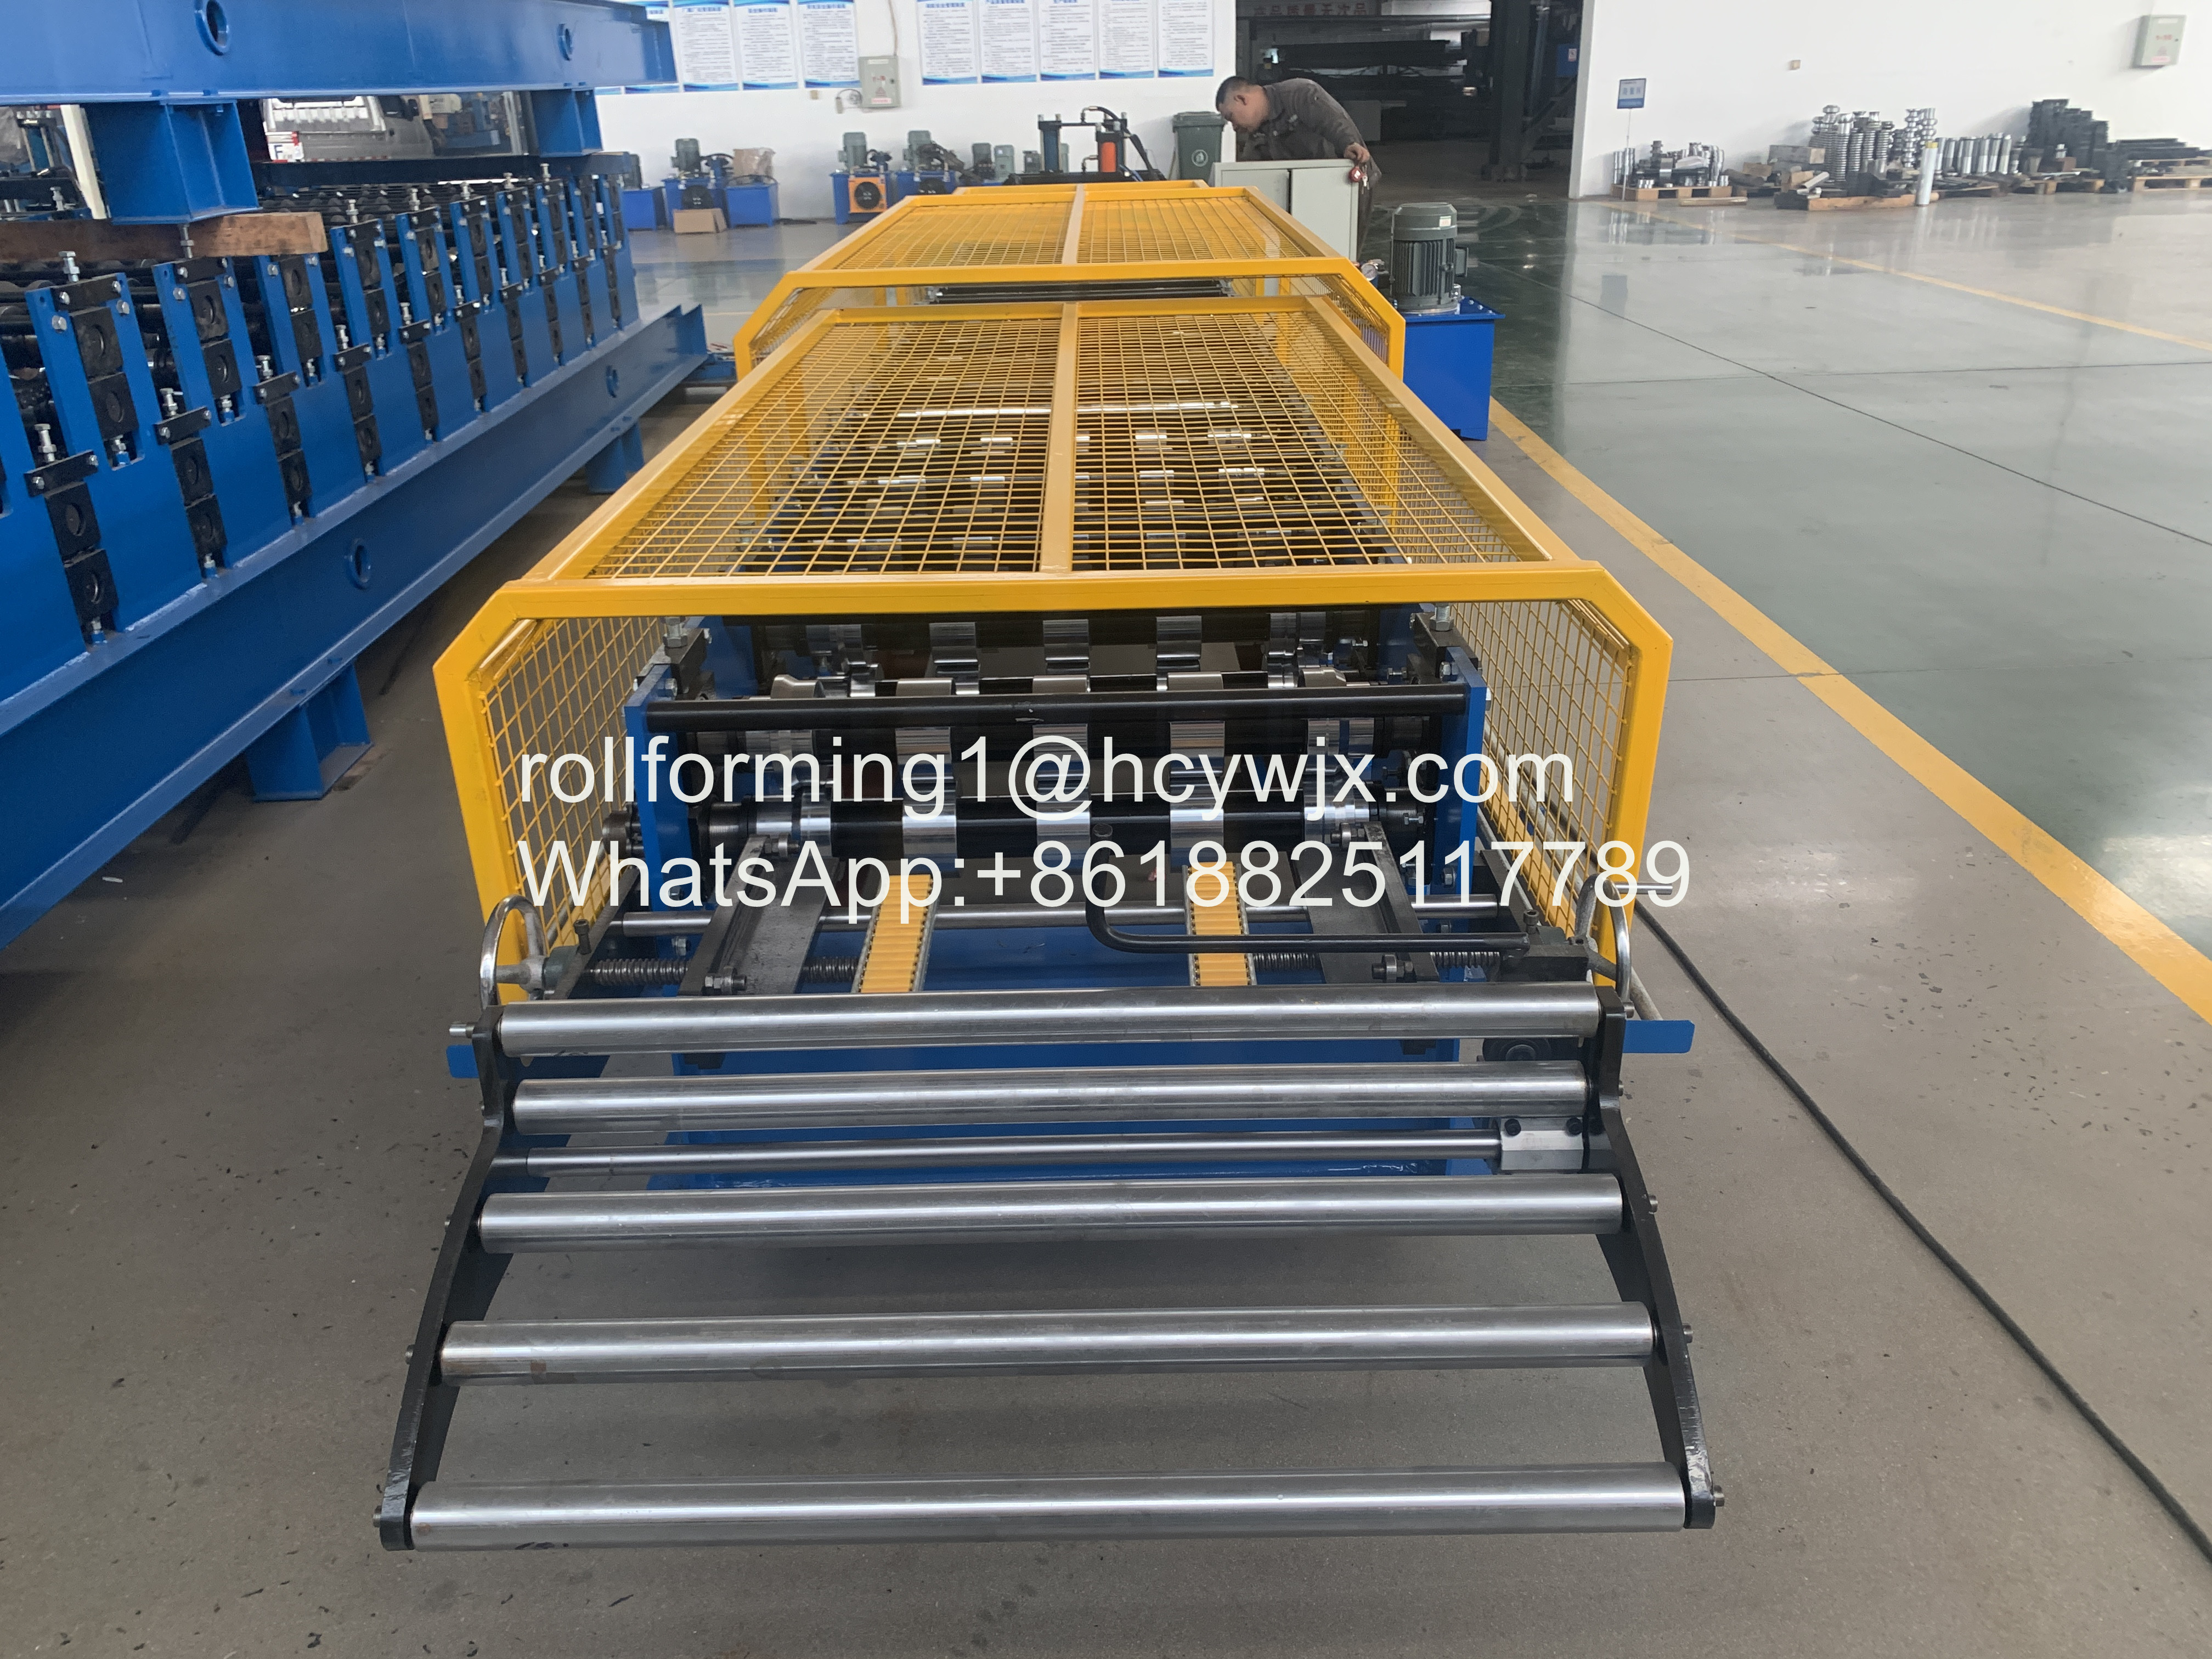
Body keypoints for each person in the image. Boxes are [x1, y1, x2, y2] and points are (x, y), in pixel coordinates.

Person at [1215, 75, 1378, 181]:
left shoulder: (1300, 94)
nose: (1234, 127)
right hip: (1312, 185)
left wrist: (1349, 144)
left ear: (1242, 99)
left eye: (1231, 117)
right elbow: (1250, 169)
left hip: (1351, 179)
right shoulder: (1258, 130)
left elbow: (1333, 122)